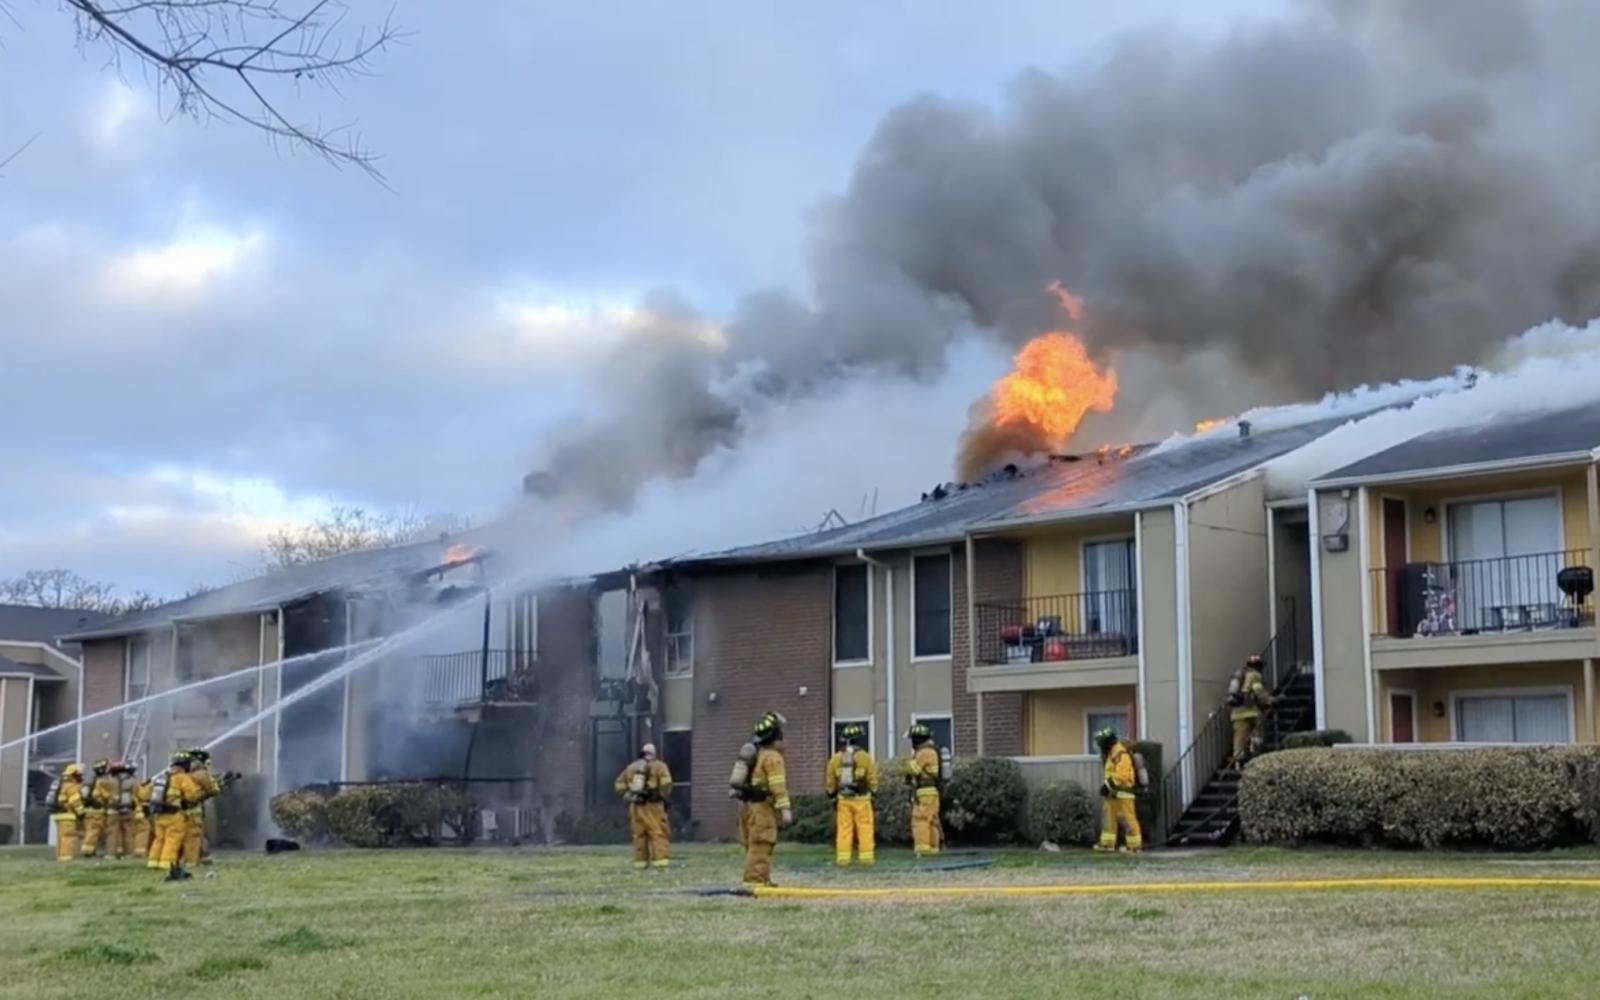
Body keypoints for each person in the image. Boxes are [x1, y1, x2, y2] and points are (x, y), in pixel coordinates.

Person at [736, 711, 791, 888]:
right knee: (762, 843)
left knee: (753, 844)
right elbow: (778, 786)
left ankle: (760, 878)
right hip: (763, 809)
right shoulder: (772, 757)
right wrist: (785, 809)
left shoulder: (757, 755)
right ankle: (756, 881)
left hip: (749, 807)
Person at [824, 722, 878, 867]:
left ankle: (843, 859)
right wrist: (874, 791)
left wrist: (831, 794)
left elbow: (830, 781)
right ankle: (866, 859)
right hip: (862, 799)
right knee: (865, 828)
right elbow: (872, 778)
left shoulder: (836, 758)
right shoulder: (865, 757)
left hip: (844, 799)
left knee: (844, 828)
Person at [613, 742, 673, 870]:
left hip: (635, 807)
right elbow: (667, 783)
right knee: (658, 833)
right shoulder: (659, 766)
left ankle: (640, 864)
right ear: (654, 753)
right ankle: (660, 864)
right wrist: (662, 795)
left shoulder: (630, 768)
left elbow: (619, 785)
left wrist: (628, 796)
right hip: (653, 806)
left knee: (639, 835)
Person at [148, 751, 200, 880]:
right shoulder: (182, 777)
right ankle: (167, 864)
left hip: (159, 814)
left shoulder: (163, 776)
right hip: (174, 814)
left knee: (159, 839)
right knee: (172, 839)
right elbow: (192, 795)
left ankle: (153, 862)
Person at [1093, 728, 1142, 853]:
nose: (1100, 747)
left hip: (1123, 793)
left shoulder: (1121, 753)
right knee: (1108, 819)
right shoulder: (1112, 753)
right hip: (1113, 793)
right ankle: (1107, 844)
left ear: (1107, 742)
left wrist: (1107, 785)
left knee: (1128, 819)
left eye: (1101, 744)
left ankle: (1134, 847)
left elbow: (1123, 775)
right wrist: (1107, 787)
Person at [904, 723, 943, 858]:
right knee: (932, 820)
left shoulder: (924, 752)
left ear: (918, 739)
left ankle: (923, 850)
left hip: (925, 792)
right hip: (932, 792)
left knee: (920, 820)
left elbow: (914, 770)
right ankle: (933, 849)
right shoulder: (932, 750)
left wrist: (907, 763)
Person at [1229, 654, 1274, 765]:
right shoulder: (1255, 675)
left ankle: (1238, 761)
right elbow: (1259, 692)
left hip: (1236, 713)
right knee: (1258, 730)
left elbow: (1232, 693)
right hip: (1251, 711)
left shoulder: (1239, 674)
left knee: (1239, 737)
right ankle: (1255, 752)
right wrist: (1271, 700)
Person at [183, 748, 222, 867]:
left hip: (181, 810)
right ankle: (195, 859)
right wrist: (215, 787)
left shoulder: (185, 773)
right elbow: (212, 789)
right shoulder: (200, 773)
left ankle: (201, 856)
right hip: (194, 810)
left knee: (191, 834)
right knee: (196, 834)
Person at [47, 763, 88, 862]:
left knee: (60, 837)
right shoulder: (72, 786)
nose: (81, 777)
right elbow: (75, 802)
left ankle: (60, 856)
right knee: (68, 836)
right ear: (75, 775)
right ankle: (66, 858)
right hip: (68, 816)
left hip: (59, 816)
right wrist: (81, 813)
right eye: (80, 774)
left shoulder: (63, 785)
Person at [80, 759, 116, 858]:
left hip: (89, 811)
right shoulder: (101, 782)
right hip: (97, 812)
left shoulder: (90, 781)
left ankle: (93, 850)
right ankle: (87, 852)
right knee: (93, 832)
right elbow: (107, 795)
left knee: (92, 831)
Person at [108, 760, 139, 860]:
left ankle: (111, 854)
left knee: (112, 833)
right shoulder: (132, 780)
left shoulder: (108, 781)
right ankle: (129, 854)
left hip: (113, 810)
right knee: (128, 832)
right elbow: (137, 794)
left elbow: (100, 793)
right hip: (127, 809)